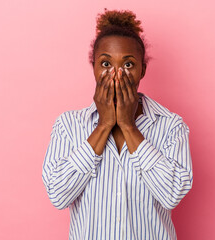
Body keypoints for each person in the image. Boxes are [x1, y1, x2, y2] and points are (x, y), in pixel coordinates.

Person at [42, 8, 193, 240]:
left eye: (129, 65)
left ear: (142, 69)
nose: (117, 74)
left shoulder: (171, 126)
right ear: (93, 67)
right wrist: (103, 126)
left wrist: (128, 126)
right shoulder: (68, 125)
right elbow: (58, 195)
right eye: (105, 64)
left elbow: (171, 194)